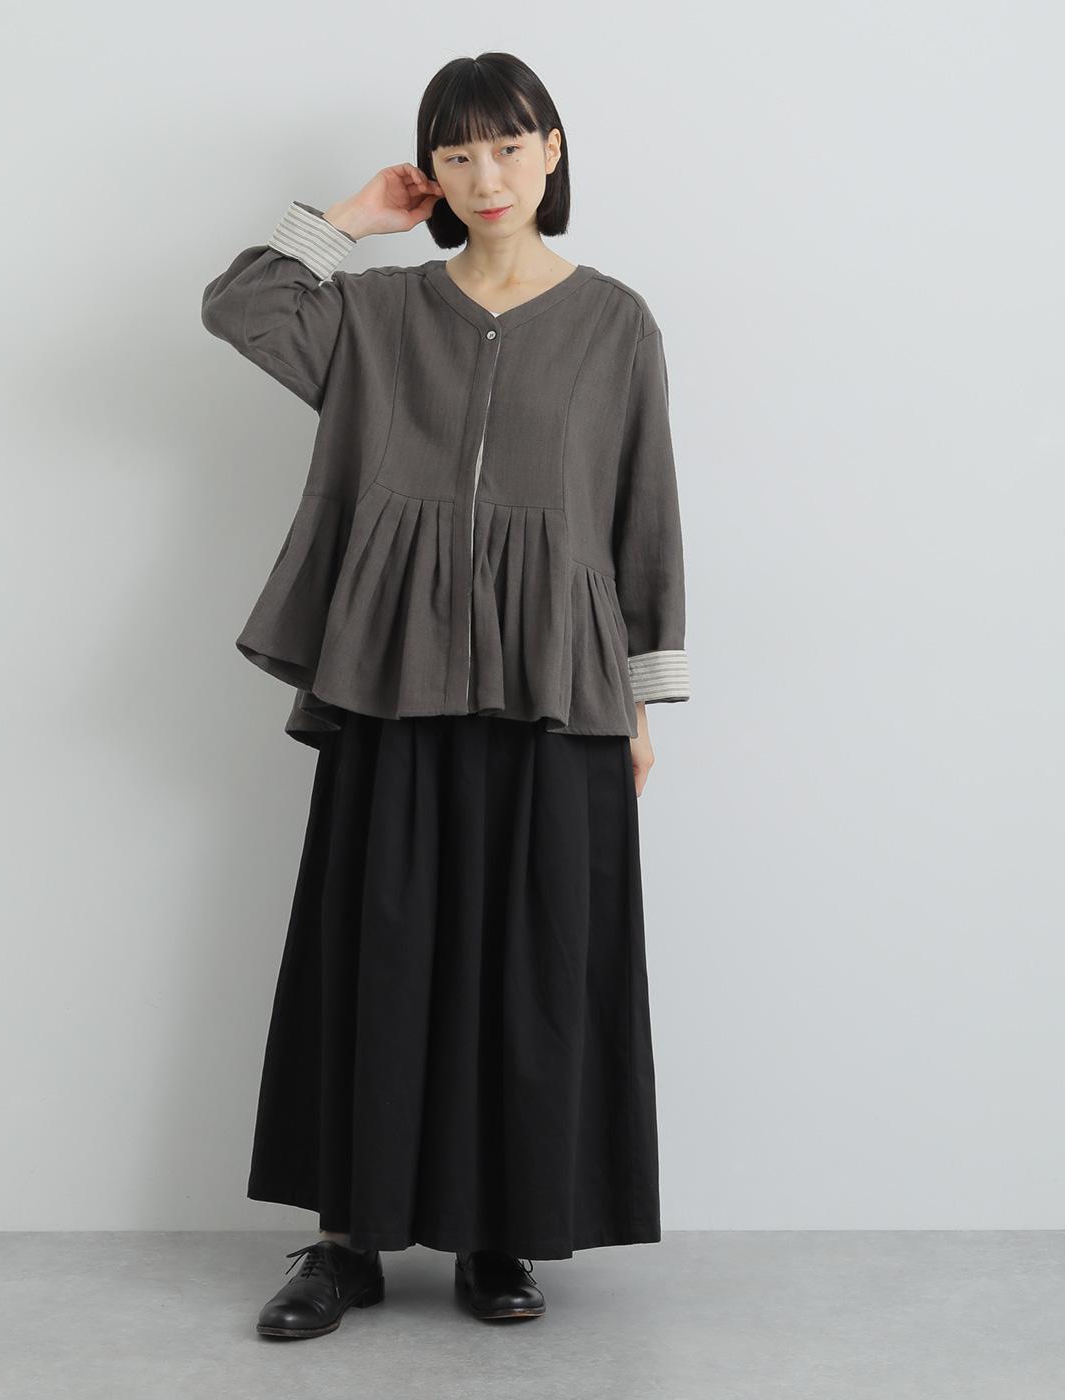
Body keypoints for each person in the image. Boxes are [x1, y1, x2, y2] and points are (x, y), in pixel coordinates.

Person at [200, 50, 690, 1340]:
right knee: (380, 954)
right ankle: (346, 1242)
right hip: (393, 674)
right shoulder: (378, 317)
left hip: (557, 686)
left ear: (553, 150)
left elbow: (642, 513)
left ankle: (499, 1234)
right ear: (432, 169)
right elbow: (240, 307)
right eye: (457, 152)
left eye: (509, 145)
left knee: (533, 965)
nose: (486, 174)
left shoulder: (616, 323)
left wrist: (642, 701)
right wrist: (352, 221)